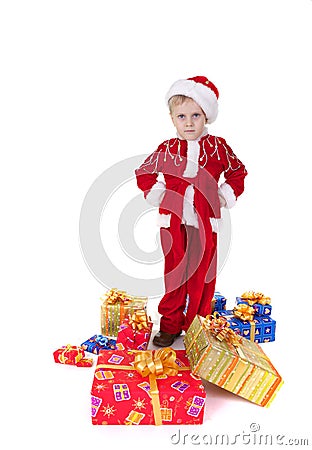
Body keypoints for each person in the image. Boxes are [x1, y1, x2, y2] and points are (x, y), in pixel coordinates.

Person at [135, 76, 247, 347]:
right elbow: (144, 172)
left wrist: (224, 196)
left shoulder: (219, 148)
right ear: (172, 118)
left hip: (206, 223)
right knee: (174, 274)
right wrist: (158, 193)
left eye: (196, 115)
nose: (188, 122)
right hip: (172, 222)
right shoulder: (168, 148)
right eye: (181, 116)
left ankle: (198, 327)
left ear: (206, 117)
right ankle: (170, 325)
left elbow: (237, 172)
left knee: (203, 276)